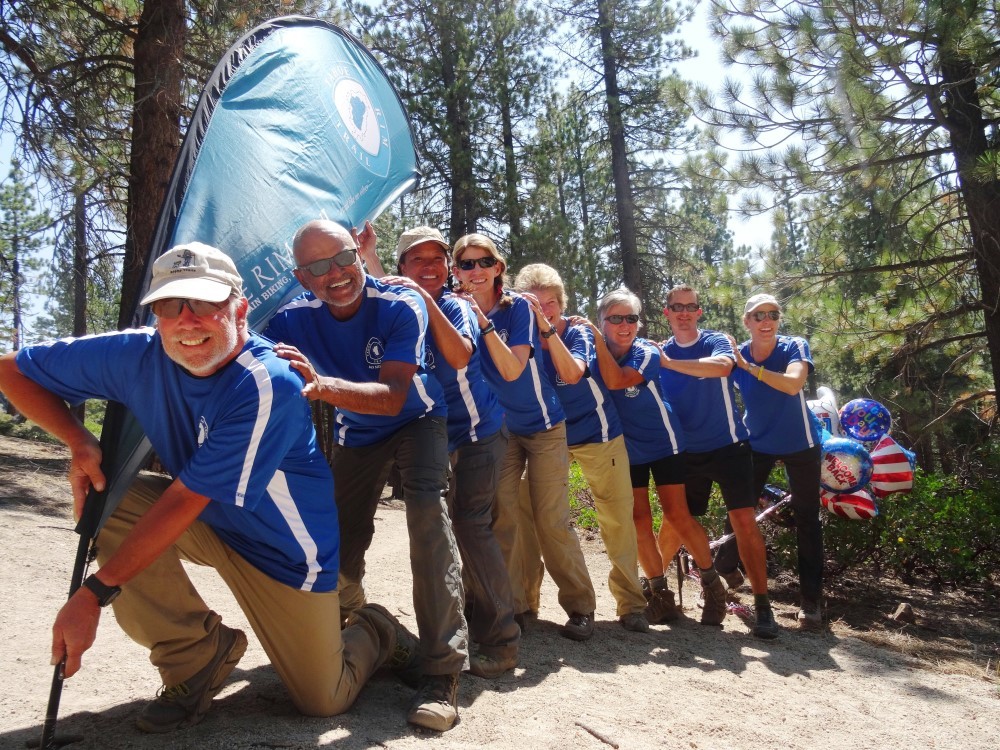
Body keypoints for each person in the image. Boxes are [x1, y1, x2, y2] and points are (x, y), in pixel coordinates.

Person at [0, 243, 418, 733]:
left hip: (285, 554)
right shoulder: (137, 353)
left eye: (204, 304)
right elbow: (11, 370)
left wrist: (92, 595)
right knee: (103, 497)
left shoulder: (268, 382)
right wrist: (77, 440)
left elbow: (184, 499)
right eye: (170, 306)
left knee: (322, 699)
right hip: (209, 522)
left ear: (239, 309)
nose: (186, 321)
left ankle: (375, 628)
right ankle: (195, 657)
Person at [263, 220, 466, 731]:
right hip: (359, 431)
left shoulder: (401, 303)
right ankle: (351, 637)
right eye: (317, 267)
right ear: (300, 276)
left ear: (359, 253)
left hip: (418, 418)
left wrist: (321, 385)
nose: (335, 274)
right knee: (334, 540)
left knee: (427, 519)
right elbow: (245, 361)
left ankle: (441, 673)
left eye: (343, 258)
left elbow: (396, 394)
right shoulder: (289, 319)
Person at [359, 223, 521, 679]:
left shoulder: (456, 304)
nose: (428, 267)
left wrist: (423, 296)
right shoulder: (398, 303)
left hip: (477, 433)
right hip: (432, 437)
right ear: (402, 266)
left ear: (448, 269)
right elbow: (396, 288)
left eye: (437, 259)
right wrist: (369, 255)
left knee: (471, 528)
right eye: (417, 260)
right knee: (446, 535)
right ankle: (464, 628)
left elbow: (459, 355)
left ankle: (502, 641)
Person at [451, 234, 598, 641]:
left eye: (484, 262)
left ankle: (581, 607)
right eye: (465, 264)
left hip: (545, 426)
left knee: (551, 520)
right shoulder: (453, 309)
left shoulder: (517, 309)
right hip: (500, 430)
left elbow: (513, 369)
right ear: (456, 270)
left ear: (498, 267)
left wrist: (481, 322)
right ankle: (516, 604)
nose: (475, 271)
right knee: (503, 519)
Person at [513, 264, 651, 632]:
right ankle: (526, 602)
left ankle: (631, 604)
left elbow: (573, 373)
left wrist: (546, 331)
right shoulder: (517, 335)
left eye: (552, 302)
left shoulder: (576, 333)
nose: (545, 309)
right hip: (545, 438)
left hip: (597, 431)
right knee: (526, 516)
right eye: (536, 303)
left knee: (617, 517)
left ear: (562, 303)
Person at [578, 288, 728, 627]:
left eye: (631, 318)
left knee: (677, 515)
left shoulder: (646, 351)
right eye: (614, 318)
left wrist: (595, 340)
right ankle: (660, 595)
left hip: (665, 443)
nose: (624, 325)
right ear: (602, 321)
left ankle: (712, 585)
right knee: (640, 522)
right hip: (626, 448)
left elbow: (617, 381)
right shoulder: (589, 354)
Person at [658, 284, 779, 639]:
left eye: (690, 307)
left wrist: (668, 363)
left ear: (699, 312)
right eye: (676, 307)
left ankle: (762, 605)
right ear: (666, 312)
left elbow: (723, 367)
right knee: (675, 522)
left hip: (729, 446)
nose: (683, 312)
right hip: (684, 451)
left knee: (743, 522)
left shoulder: (715, 342)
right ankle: (651, 586)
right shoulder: (658, 352)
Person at [725, 293, 825, 629]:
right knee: (740, 508)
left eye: (773, 314)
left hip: (802, 443)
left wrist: (750, 368)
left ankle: (810, 602)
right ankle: (727, 568)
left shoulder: (794, 346)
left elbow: (794, 383)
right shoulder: (736, 354)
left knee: (808, 519)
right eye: (758, 315)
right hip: (758, 442)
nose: (766, 321)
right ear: (747, 321)